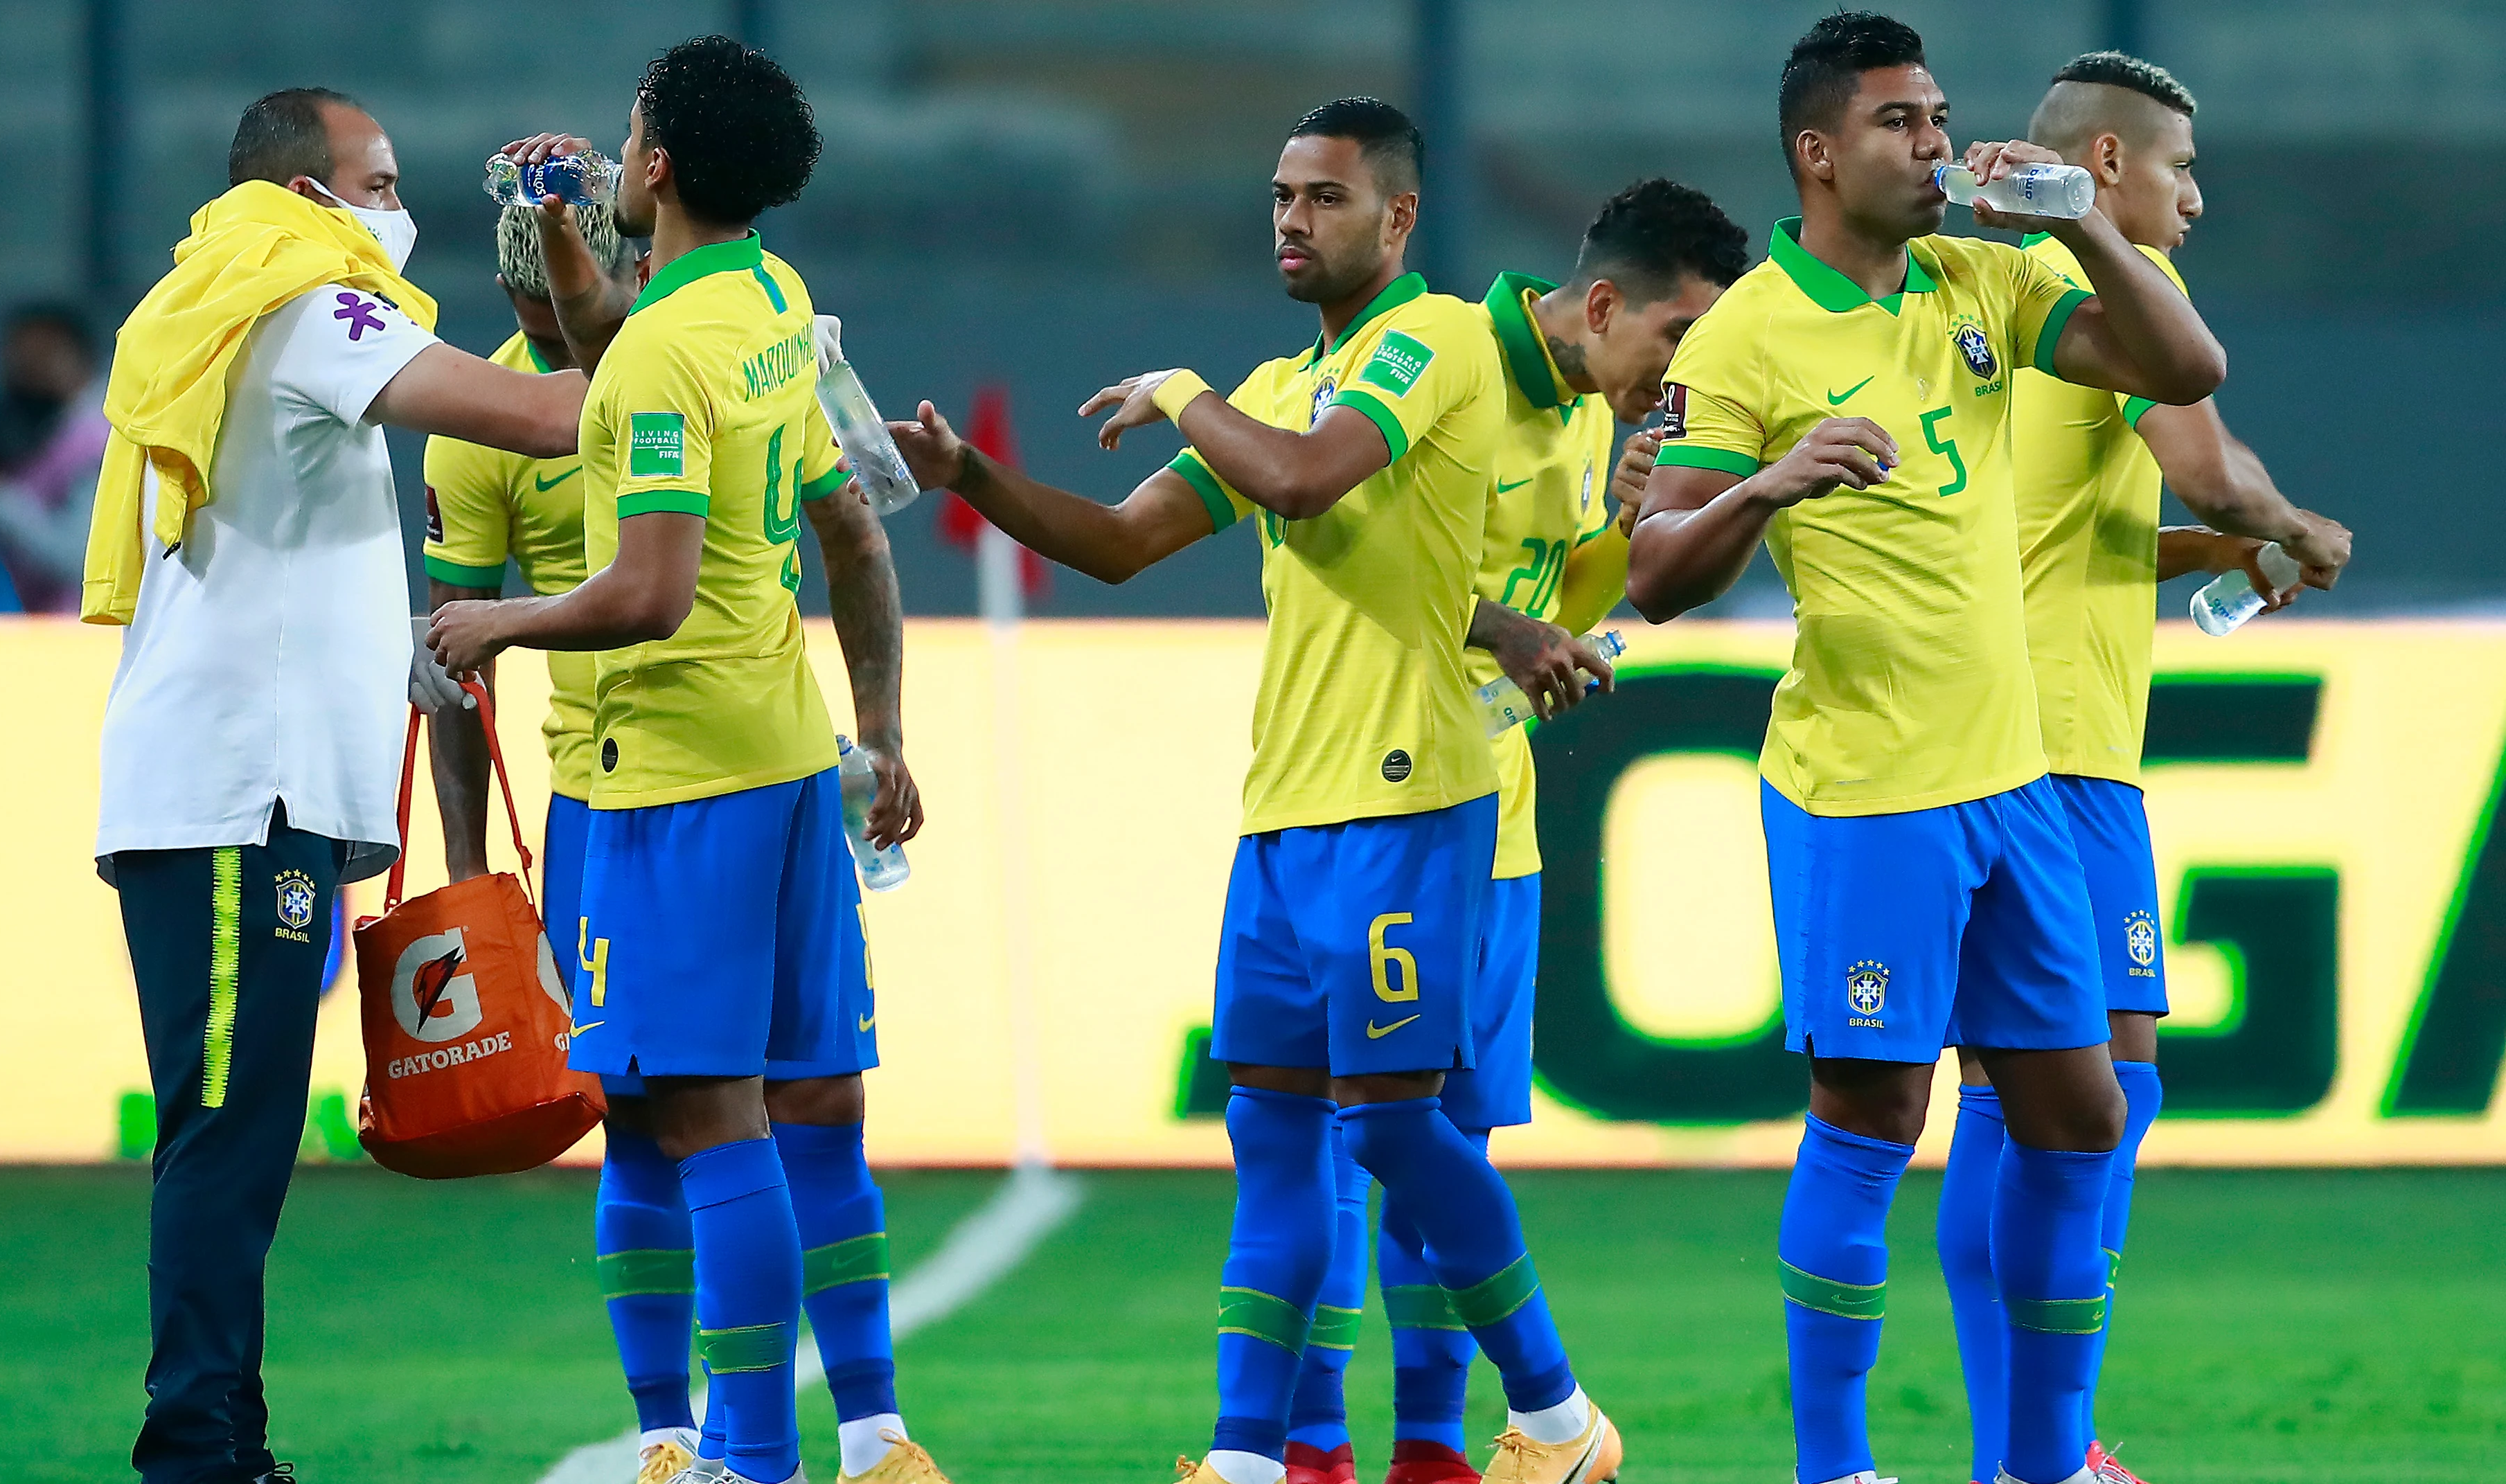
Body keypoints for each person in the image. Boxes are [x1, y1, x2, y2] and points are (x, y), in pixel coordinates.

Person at [889, 97, 1619, 1484]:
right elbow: (1112, 543)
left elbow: (1298, 483)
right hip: (1286, 814)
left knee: (1395, 1126)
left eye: (1323, 198)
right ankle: (1245, 1456)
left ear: (1396, 219)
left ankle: (1555, 1417)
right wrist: (974, 475)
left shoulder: (1430, 338)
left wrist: (1175, 390)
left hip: (1410, 800)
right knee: (1273, 1138)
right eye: (1280, 195)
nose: (1290, 219)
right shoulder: (1284, 384)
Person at [1625, 11, 2230, 1484]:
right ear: (1817, 152)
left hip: (2011, 781)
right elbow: (1652, 570)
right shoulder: (1747, 333)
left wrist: (2083, 222)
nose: (1934, 144)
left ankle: (2036, 1464)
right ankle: (1832, 1465)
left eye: (1939, 117)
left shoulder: (1974, 279)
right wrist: (1767, 483)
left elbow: (2182, 363)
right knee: (1875, 1112)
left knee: (2079, 1113)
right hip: (1867, 786)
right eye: (1900, 123)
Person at [425, 37, 925, 1484]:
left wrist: (493, 625)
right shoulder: (768, 301)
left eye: (626, 129)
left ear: (654, 165)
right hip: (773, 761)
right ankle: (766, 1441)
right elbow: (630, 360)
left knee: (710, 1124)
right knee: (711, 1108)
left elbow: (643, 589)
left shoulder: (652, 353)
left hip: (665, 775)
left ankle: (749, 1457)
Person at [90, 85, 594, 1484]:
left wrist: (394, 654)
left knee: (235, 1133)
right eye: (378, 181)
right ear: (310, 196)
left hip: (225, 796)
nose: (396, 206)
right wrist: (705, 348)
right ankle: (195, 1445)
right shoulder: (307, 305)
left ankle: (227, 1438)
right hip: (239, 804)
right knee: (228, 1141)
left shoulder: (211, 311)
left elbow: (278, 549)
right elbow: (545, 417)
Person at [1282, 179, 1750, 1484]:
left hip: (1492, 819)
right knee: (1343, 1129)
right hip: (1371, 799)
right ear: (1601, 303)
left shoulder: (1575, 415)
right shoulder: (1435, 357)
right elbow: (1356, 545)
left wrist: (1609, 532)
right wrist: (1509, 629)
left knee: (1437, 1143)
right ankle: (1321, 1433)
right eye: (1670, 346)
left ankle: (1431, 1447)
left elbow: (1568, 591)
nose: (1674, 383)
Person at [1935, 50, 2354, 1484]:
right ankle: (2040, 1451)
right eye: (2175, 165)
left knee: (2008, 1089)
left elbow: (2078, 527)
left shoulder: (1986, 294)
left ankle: (2031, 1448)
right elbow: (2211, 467)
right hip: (2060, 751)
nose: (2195, 190)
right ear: (2104, 168)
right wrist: (2287, 526)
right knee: (2103, 1088)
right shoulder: (2099, 298)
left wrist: (2221, 554)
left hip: (1995, 733)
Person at [0, 303, 109, 612]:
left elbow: (80, 559)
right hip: (32, 623)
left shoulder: (100, 436)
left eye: (41, 361)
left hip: (80, 632)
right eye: (20, 365)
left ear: (78, 358)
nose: (29, 376)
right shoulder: (46, 431)